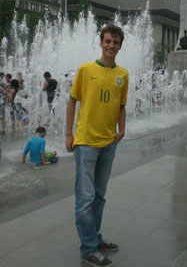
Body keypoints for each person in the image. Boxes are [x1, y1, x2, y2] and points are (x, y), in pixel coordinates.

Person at [66, 24, 129, 267]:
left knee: (99, 197)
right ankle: (88, 249)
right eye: (108, 41)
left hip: (108, 143)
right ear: (101, 43)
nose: (111, 46)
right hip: (85, 143)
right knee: (85, 198)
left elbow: (121, 105)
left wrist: (121, 129)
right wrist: (68, 134)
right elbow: (72, 102)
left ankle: (95, 238)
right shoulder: (86, 69)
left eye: (115, 42)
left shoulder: (122, 74)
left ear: (120, 46)